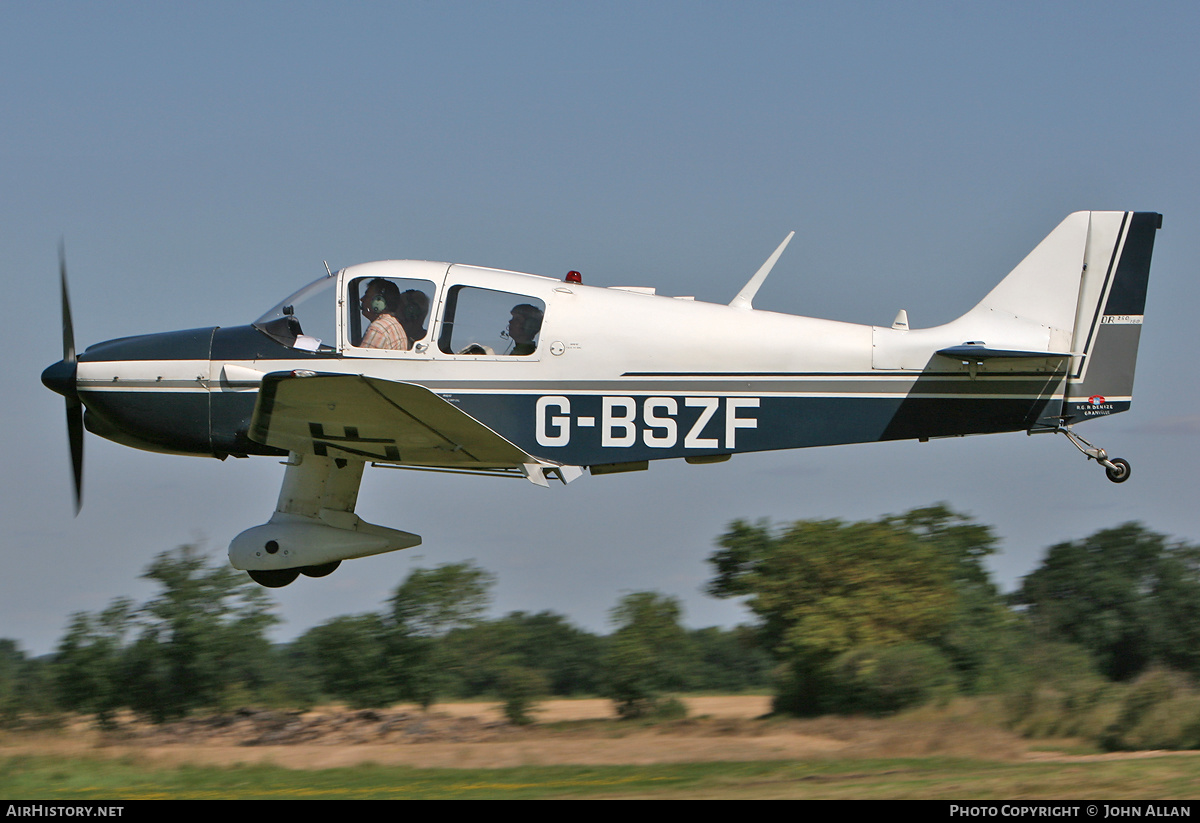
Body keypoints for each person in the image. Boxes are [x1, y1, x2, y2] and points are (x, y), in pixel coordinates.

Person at [359, 278, 408, 350]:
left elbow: (360, 360)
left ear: (379, 301)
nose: (362, 299)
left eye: (367, 296)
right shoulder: (391, 323)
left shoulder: (379, 328)